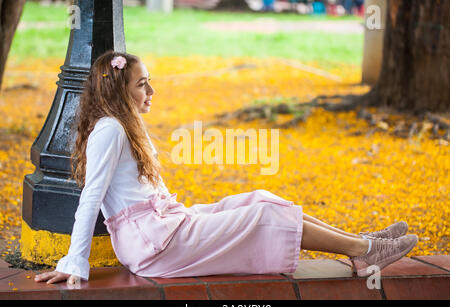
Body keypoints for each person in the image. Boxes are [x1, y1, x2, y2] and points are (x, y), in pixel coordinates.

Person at [34, 51, 418, 285]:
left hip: (164, 229)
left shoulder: (123, 125)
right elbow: (91, 198)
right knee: (265, 214)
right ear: (119, 90)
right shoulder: (110, 130)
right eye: (142, 84)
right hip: (153, 247)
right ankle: (365, 250)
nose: (151, 92)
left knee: (262, 198)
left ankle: (359, 243)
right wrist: (75, 263)